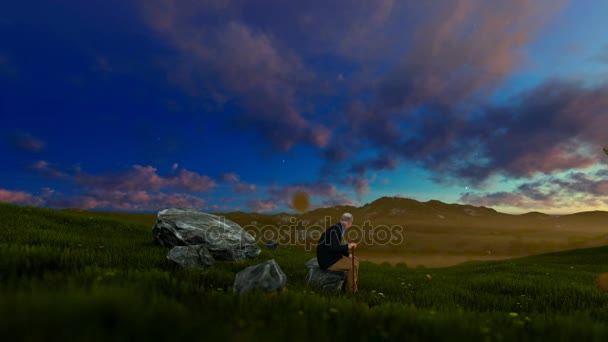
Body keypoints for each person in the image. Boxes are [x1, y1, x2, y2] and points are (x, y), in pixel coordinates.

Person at [316, 212, 359, 293]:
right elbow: (333, 247)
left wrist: (347, 254)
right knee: (353, 265)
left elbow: (338, 245)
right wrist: (348, 246)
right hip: (328, 261)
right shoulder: (336, 230)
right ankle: (352, 291)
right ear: (350, 223)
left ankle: (351, 285)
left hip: (331, 257)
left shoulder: (338, 228)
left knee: (355, 261)